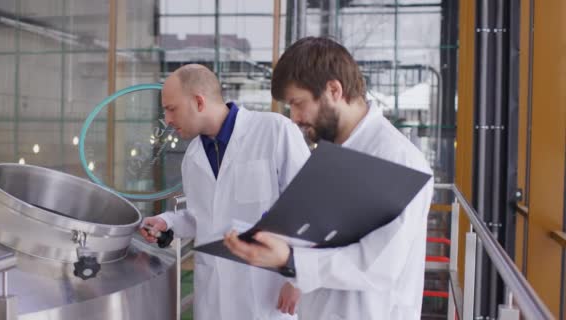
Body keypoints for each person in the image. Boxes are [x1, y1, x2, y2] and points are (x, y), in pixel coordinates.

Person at [224, 37, 434, 320]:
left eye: (298, 103)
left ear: (334, 89)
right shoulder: (330, 154)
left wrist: (290, 259)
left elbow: (380, 264)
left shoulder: (397, 157)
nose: (295, 118)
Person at [139, 64, 310, 319]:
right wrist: (168, 222)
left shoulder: (274, 131)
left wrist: (299, 277)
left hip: (266, 294)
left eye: (171, 108)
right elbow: (203, 217)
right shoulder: (192, 157)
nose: (168, 120)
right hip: (214, 299)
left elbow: (309, 207)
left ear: (198, 101)